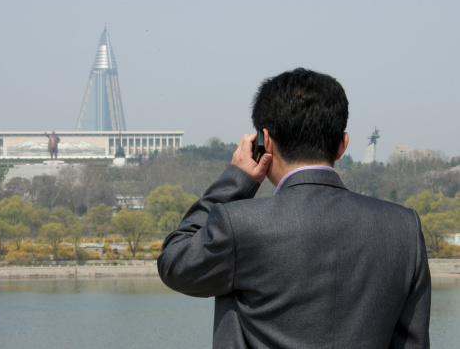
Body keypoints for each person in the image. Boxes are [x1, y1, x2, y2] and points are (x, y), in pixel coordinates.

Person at [158, 68, 431, 348]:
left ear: (266, 143)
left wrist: (236, 180)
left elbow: (174, 262)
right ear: (342, 144)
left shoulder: (241, 225)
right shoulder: (404, 228)